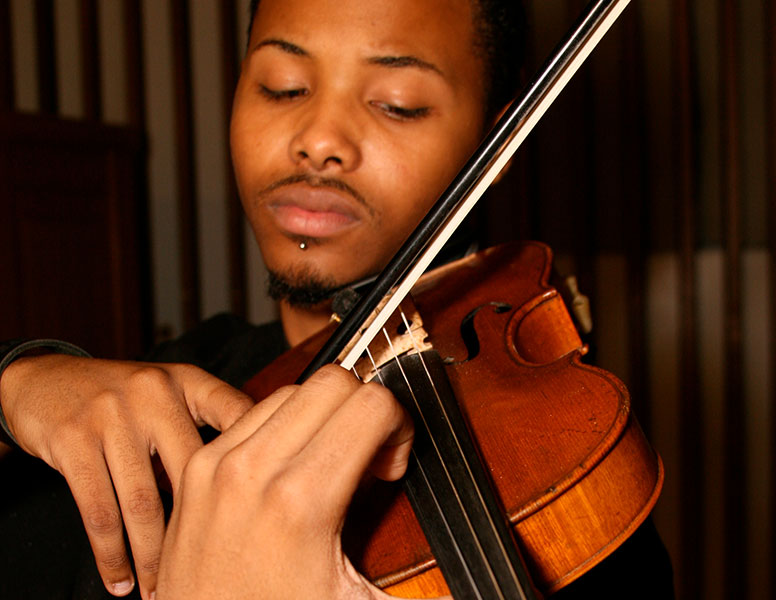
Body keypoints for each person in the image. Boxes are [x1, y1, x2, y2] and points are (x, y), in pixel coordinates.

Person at [0, 0, 673, 598]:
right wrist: (16, 378)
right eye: (282, 87)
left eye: (398, 103)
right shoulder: (182, 382)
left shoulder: (573, 501)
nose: (319, 140)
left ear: (493, 145)